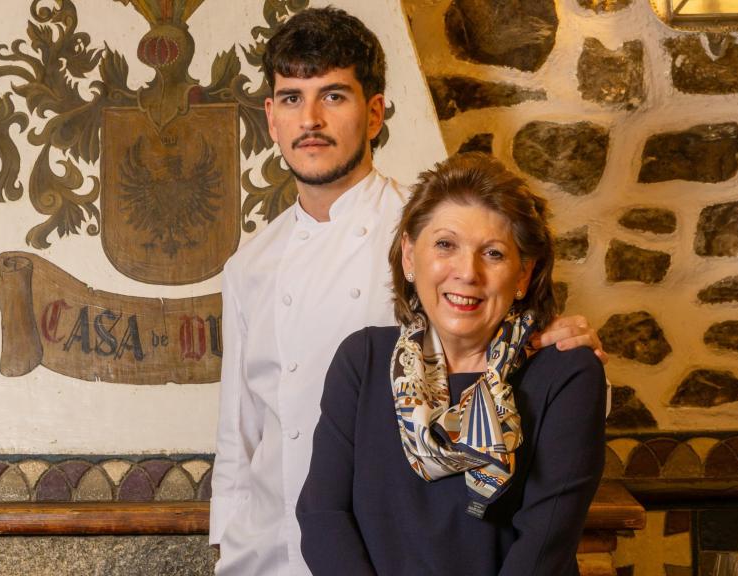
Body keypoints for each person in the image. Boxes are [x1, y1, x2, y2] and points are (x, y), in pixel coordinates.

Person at [210, 8, 605, 576]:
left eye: (334, 96)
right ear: (271, 118)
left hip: (390, 549)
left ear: (374, 114)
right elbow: (238, 431)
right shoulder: (249, 263)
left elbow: (520, 360)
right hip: (269, 551)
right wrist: (225, 544)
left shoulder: (434, 236)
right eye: (292, 99)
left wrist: (569, 340)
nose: (311, 119)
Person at [296, 153, 607, 575]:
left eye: (494, 253)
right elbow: (322, 516)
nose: (467, 272)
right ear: (409, 256)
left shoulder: (566, 374)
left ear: (523, 275)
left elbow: (543, 547)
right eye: (445, 244)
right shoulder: (362, 361)